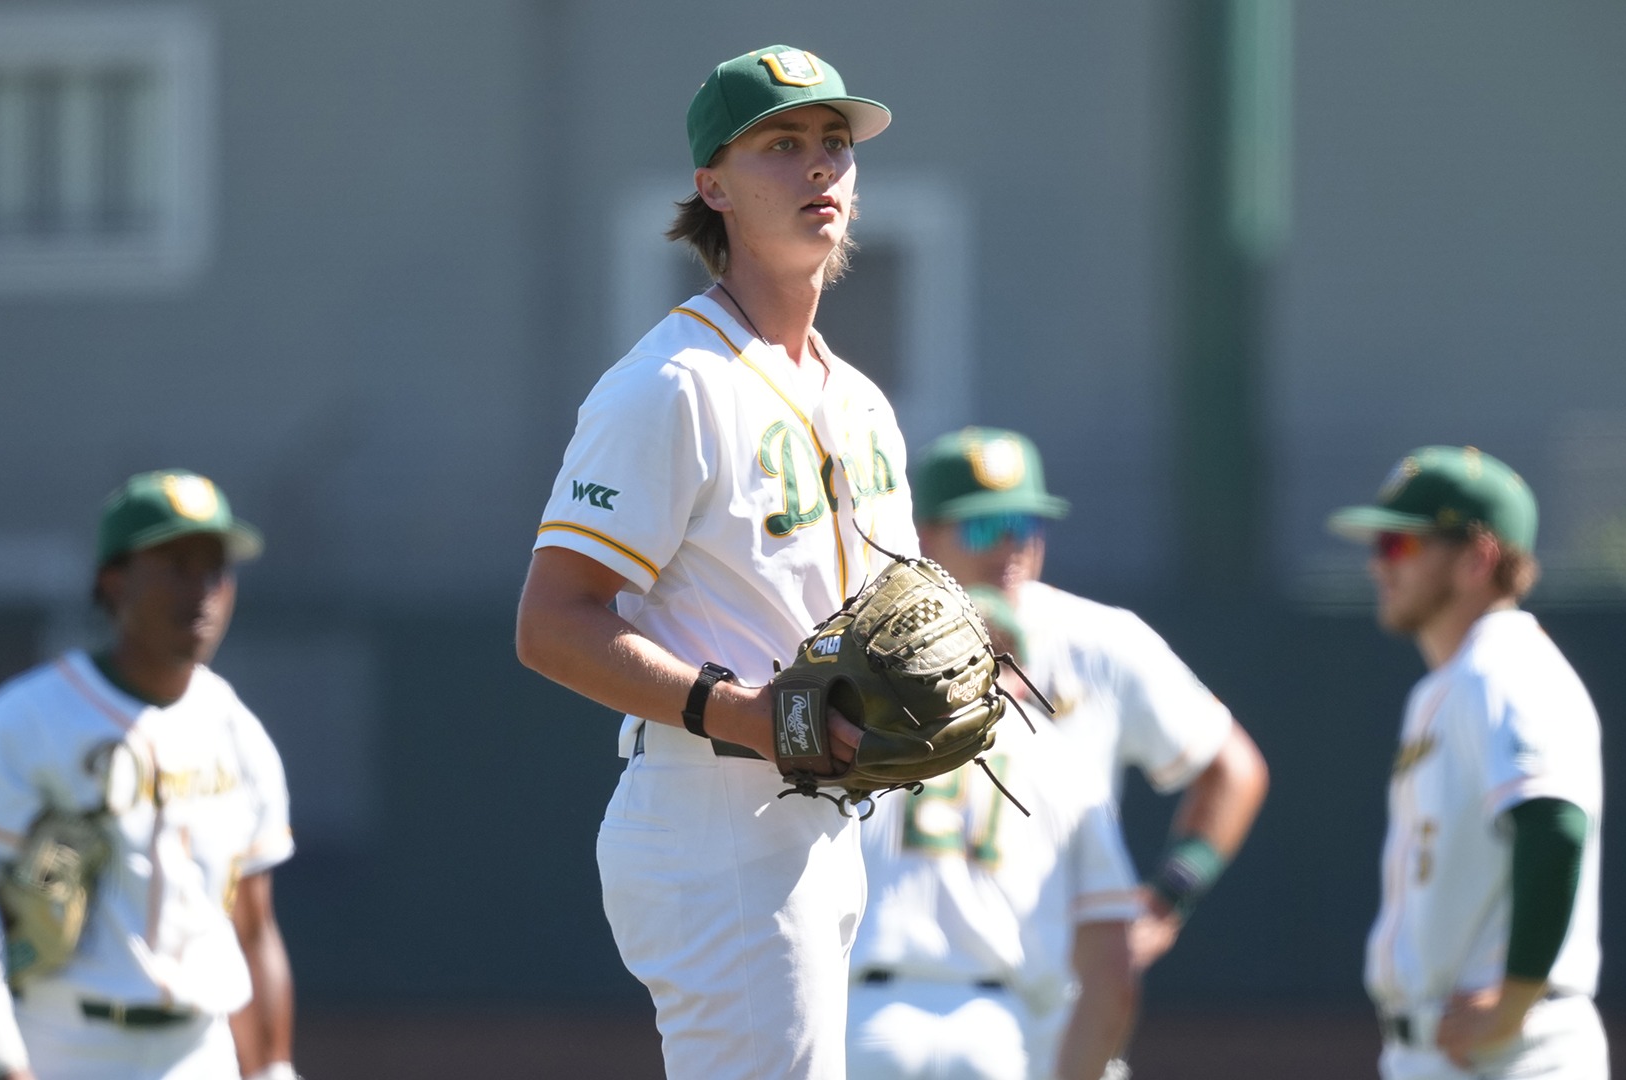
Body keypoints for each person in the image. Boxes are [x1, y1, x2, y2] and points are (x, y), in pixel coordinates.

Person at [513, 45, 912, 1080]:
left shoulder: (860, 401)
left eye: (835, 142)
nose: (820, 165)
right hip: (716, 812)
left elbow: (896, 616)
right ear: (713, 187)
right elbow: (552, 623)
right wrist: (746, 713)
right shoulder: (672, 384)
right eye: (781, 143)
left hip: (828, 818)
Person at [0, 470, 299, 1080]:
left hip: (200, 1052)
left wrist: (273, 1071)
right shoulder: (29, 720)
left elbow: (254, 928)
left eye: (214, 569)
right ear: (114, 581)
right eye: (176, 566)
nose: (201, 590)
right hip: (65, 1046)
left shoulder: (239, 734)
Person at [908, 427, 1270, 1065]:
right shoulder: (875, 651)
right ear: (923, 536)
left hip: (1059, 994)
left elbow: (1233, 767)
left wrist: (1168, 897)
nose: (1013, 547)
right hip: (905, 981)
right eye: (985, 528)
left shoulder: (1099, 640)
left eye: (1026, 525)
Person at [1328, 446, 1606, 1080]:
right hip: (1442, 1052)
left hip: (1510, 1054)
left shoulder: (1506, 668)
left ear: (1478, 559)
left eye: (1400, 544)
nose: (1378, 564)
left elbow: (1555, 826)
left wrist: (1513, 1005)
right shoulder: (1452, 684)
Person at [846, 588, 1140, 1080]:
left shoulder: (866, 741)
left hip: (869, 1021)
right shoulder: (1062, 763)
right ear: (1020, 673)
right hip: (995, 1030)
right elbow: (1113, 964)